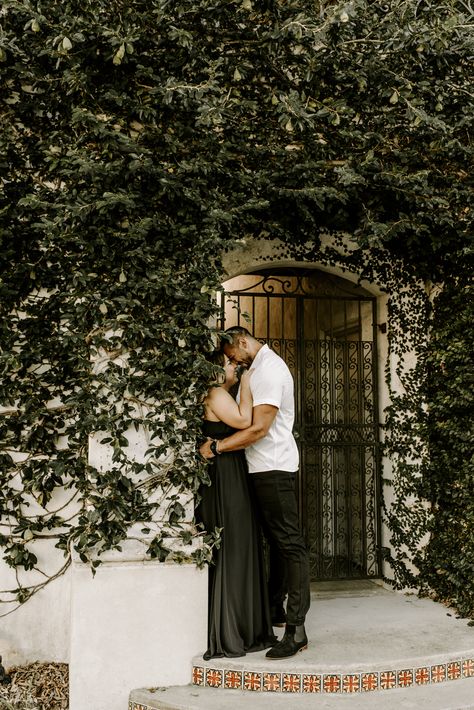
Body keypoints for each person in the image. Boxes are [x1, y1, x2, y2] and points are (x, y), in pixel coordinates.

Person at [200, 326, 311, 660]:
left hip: (273, 469)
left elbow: (259, 428)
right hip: (258, 470)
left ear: (243, 342)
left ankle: (296, 630)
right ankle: (276, 608)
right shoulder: (256, 371)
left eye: (233, 355)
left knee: (290, 545)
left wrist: (217, 447)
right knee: (276, 543)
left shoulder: (270, 370)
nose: (234, 362)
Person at [195, 349, 276, 660]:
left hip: (232, 472)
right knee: (234, 543)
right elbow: (244, 420)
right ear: (217, 369)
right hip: (224, 477)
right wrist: (248, 383)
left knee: (240, 542)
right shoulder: (215, 393)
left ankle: (245, 624)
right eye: (230, 364)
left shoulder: (220, 393)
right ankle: (233, 629)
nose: (236, 368)